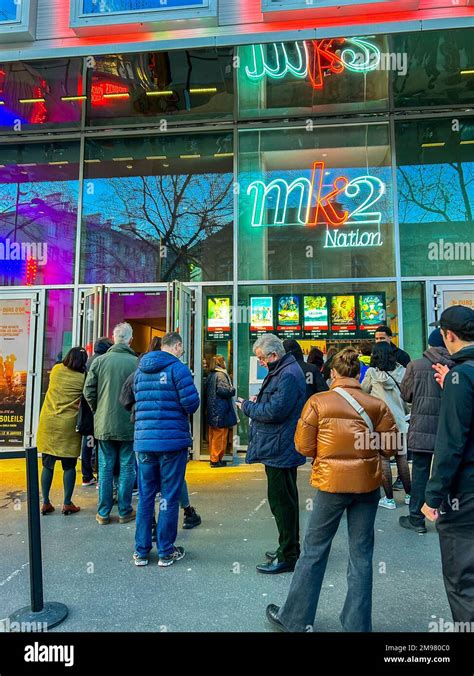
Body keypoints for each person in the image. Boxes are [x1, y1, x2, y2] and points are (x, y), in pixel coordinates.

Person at [265, 348, 397, 632]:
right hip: (367, 486)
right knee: (361, 554)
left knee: (314, 550)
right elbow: (391, 447)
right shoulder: (376, 405)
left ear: (333, 373)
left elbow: (302, 446)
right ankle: (357, 625)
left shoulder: (318, 402)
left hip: (331, 486)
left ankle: (295, 619)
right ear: (357, 374)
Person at [422, 305, 474, 623]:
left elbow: (452, 443)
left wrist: (433, 497)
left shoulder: (461, 374)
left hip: (466, 493)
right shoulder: (460, 377)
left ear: (448, 335)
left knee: (463, 579)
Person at [238, 334, 306, 575]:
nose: (260, 363)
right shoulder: (286, 370)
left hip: (280, 447)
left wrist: (247, 406)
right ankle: (288, 548)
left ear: (274, 355)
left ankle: (288, 555)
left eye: (261, 358)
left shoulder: (286, 374)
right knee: (285, 500)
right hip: (281, 446)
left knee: (282, 502)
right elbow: (277, 404)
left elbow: (275, 411)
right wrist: (261, 400)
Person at [119, 335, 201, 532]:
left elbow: (125, 399)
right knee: (169, 494)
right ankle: (165, 550)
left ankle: (142, 549)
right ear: (177, 346)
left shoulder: (139, 370)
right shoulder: (178, 369)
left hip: (144, 440)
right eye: (181, 348)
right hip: (171, 441)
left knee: (146, 496)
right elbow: (191, 404)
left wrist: (143, 412)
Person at [399, 329, 454, 533]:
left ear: (429, 344)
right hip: (448, 430)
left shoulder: (416, 365)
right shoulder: (456, 365)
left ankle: (416, 518)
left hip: (421, 427)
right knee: (446, 471)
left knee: (421, 472)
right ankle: (445, 515)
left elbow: (406, 395)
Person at [84, 322, 138, 526]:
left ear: (114, 338)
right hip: (128, 424)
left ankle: (103, 512)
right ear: (130, 339)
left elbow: (88, 390)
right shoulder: (136, 362)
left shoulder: (99, 361)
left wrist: (98, 410)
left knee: (105, 467)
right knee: (126, 466)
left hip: (104, 424)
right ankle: (124, 510)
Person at [37, 347, 88, 516]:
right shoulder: (82, 378)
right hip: (68, 424)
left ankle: (45, 502)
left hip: (49, 422)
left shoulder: (57, 370)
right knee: (69, 466)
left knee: (47, 465)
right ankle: (67, 503)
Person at [361, 341, 411, 509]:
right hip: (400, 422)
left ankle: (389, 500)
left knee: (384, 460)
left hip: (382, 423)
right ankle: (409, 496)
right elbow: (408, 396)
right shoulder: (402, 372)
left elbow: (363, 393)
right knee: (401, 459)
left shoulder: (371, 374)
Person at [80, 337, 113, 486]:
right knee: (101, 444)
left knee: (87, 442)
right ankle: (101, 476)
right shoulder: (104, 362)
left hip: (86, 409)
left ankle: (86, 475)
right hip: (100, 408)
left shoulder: (87, 362)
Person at [206, 355, 237, 467]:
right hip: (220, 409)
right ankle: (216, 459)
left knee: (213, 435)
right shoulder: (221, 374)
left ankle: (213, 457)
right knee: (220, 435)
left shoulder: (211, 375)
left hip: (213, 409)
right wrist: (232, 389)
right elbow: (224, 391)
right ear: (221, 362)